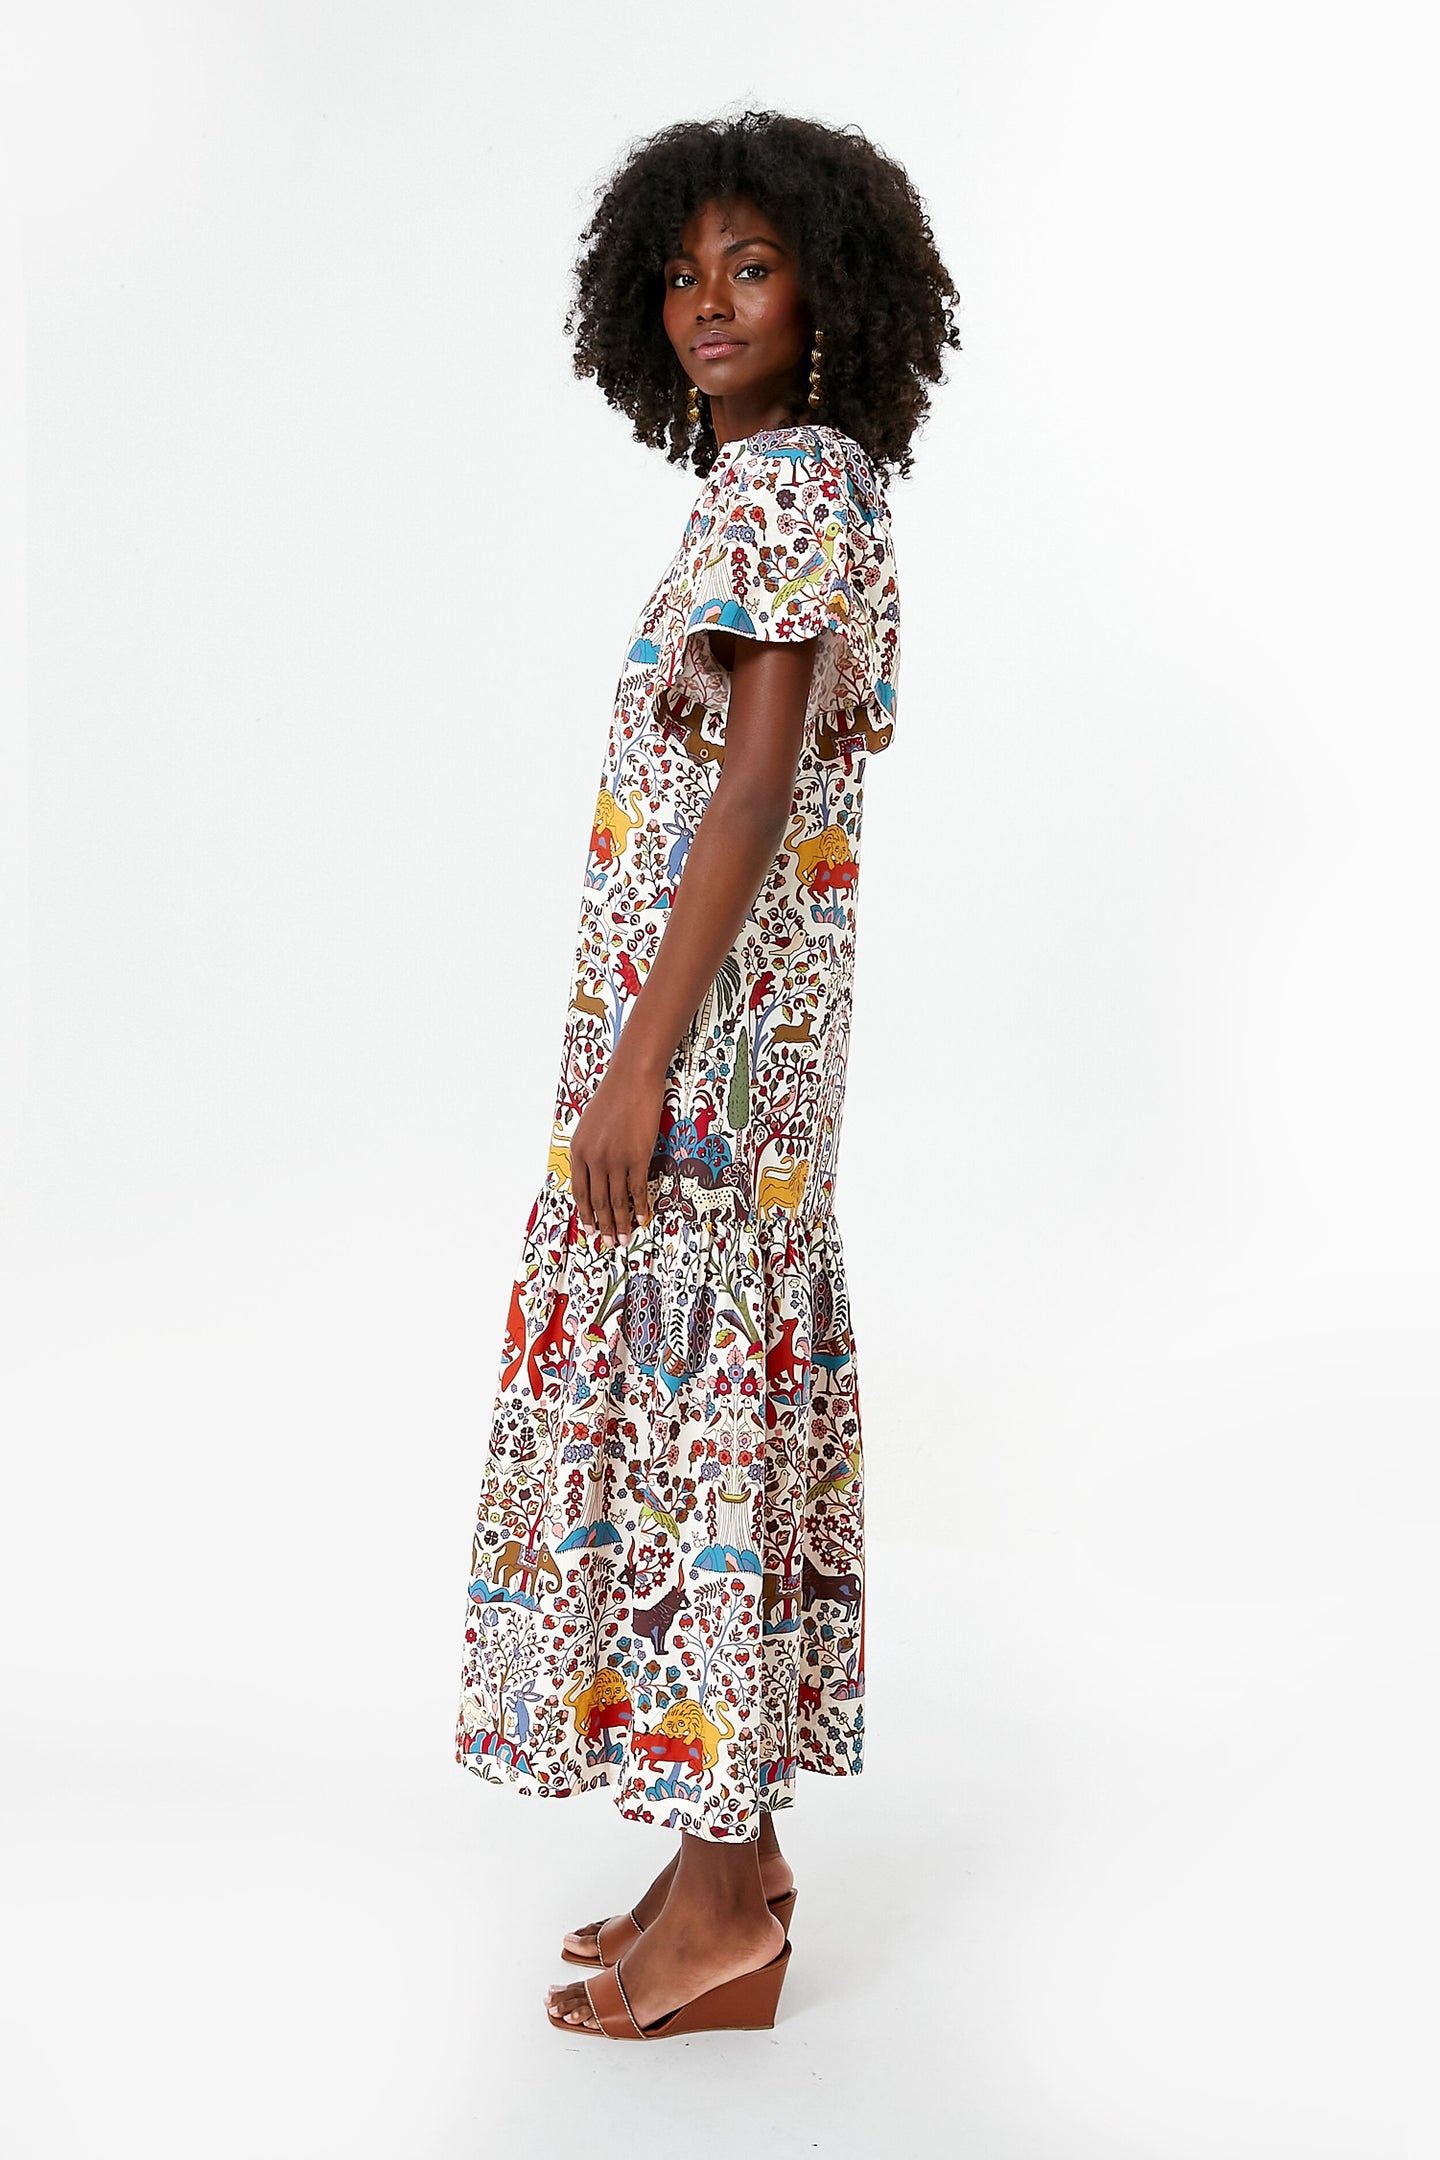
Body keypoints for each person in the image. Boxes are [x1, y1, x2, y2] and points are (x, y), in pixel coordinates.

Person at [454, 109, 960, 2042]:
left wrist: (637, 1068)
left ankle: (732, 1894)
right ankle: (713, 1862)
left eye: (752, 266)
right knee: (701, 1424)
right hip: (744, 1054)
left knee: (692, 1429)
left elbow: (748, 794)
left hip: (712, 1069)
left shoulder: (788, 488)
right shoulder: (790, 486)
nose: (708, 303)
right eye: (682, 274)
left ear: (832, 293)